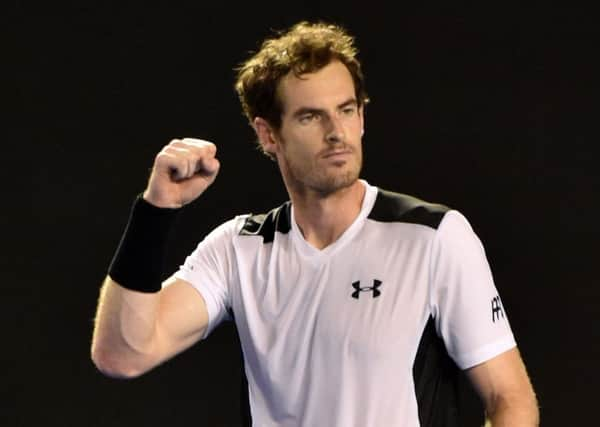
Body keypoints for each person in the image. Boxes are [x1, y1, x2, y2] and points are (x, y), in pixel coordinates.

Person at [91, 21, 539, 426]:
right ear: (269, 134)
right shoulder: (238, 249)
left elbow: (510, 399)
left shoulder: (434, 236)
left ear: (362, 117)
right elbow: (122, 354)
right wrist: (155, 211)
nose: (336, 132)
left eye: (346, 110)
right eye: (310, 116)